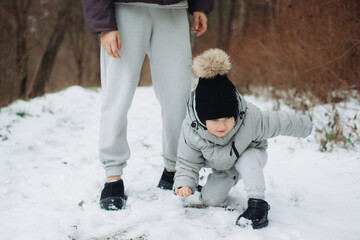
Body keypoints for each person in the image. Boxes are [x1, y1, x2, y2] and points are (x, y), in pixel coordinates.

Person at [81, 0, 213, 211]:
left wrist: (200, 5)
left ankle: (176, 168)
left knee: (178, 96)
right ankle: (113, 176)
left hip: (173, 10)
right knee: (118, 95)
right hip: (125, 10)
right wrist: (104, 24)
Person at [173, 48, 313, 229]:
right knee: (211, 199)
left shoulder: (250, 118)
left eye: (227, 119)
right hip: (224, 168)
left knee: (249, 158)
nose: (222, 126)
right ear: (202, 118)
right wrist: (184, 183)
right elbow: (187, 162)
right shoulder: (192, 131)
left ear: (235, 113)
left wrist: (305, 126)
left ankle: (258, 206)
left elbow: (280, 122)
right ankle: (215, 186)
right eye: (215, 120)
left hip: (250, 155)